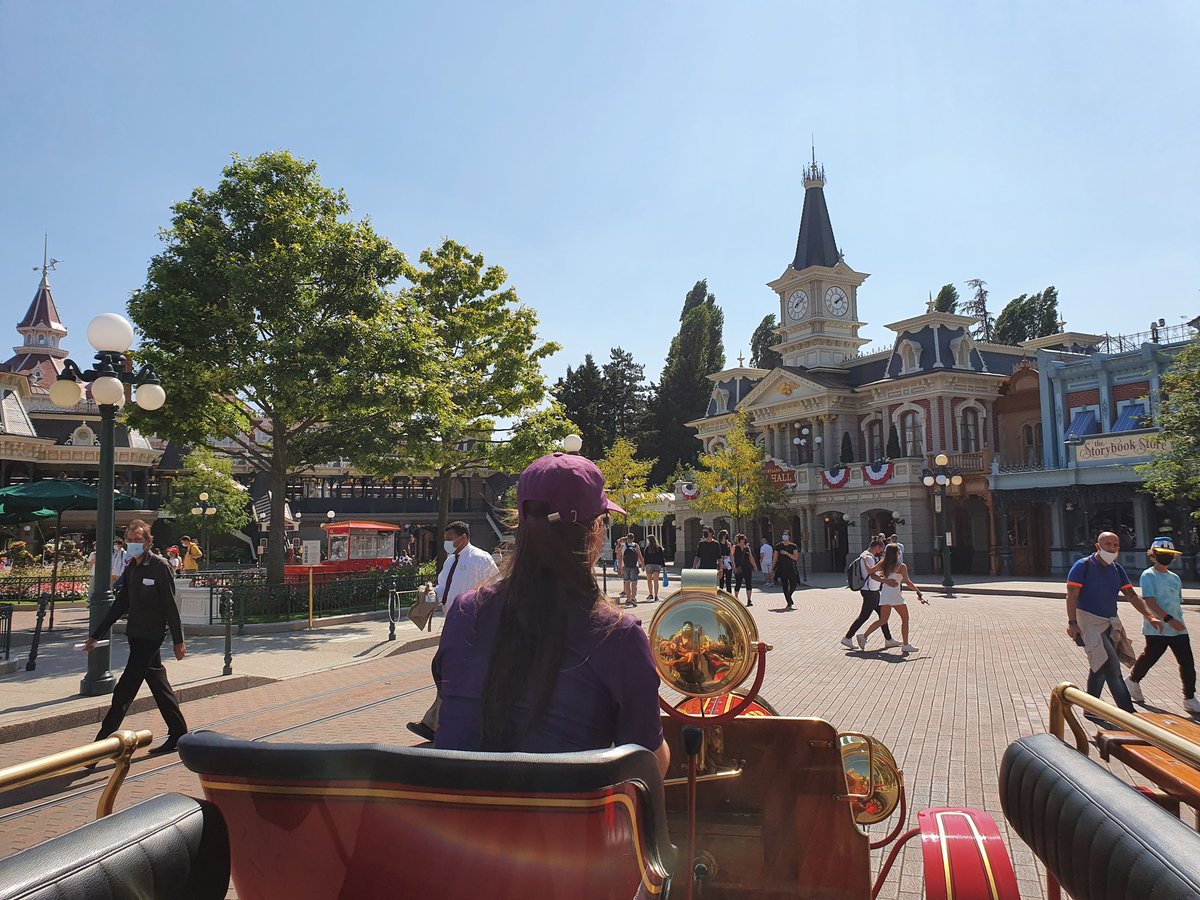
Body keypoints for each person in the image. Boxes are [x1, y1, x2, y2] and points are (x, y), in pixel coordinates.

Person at [432, 451, 669, 777]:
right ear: (596, 530)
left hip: (454, 816)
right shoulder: (618, 635)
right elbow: (649, 766)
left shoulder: (464, 612)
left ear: (520, 523)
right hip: (563, 822)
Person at [82, 519, 187, 755]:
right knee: (159, 685)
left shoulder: (160, 566)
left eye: (137, 539)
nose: (132, 543)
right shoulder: (132, 567)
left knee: (124, 691)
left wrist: (179, 641)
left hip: (151, 637)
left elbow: (171, 606)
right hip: (135, 634)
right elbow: (120, 604)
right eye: (129, 539)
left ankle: (99, 748)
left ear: (148, 541)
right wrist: (95, 635)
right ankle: (179, 732)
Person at [406, 521, 499, 741]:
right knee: (448, 671)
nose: (447, 543)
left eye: (450, 538)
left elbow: (497, 585)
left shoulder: (481, 558)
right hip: (452, 621)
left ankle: (436, 722)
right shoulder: (449, 561)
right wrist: (430, 596)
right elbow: (443, 588)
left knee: (454, 672)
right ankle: (435, 721)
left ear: (463, 537)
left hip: (474, 624)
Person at [1066, 531, 1162, 713]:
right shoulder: (1082, 566)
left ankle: (1090, 708)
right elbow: (1071, 596)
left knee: (1099, 666)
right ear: (1098, 546)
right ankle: (1128, 712)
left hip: (1110, 622)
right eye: (1108, 544)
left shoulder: (1117, 569)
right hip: (1089, 622)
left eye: (1115, 545)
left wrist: (1149, 616)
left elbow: (1132, 595)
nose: (1112, 548)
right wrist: (1072, 623)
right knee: (1111, 666)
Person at [1125, 538, 1200, 714]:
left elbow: (1177, 602)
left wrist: (1177, 621)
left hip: (1178, 628)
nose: (1166, 557)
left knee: (1187, 662)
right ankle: (1132, 681)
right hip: (1158, 627)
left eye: (1169, 555)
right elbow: (1149, 601)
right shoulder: (1148, 575)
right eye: (1162, 554)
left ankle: (1189, 698)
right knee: (1150, 657)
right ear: (1153, 555)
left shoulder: (1175, 577)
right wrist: (1168, 619)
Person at [859, 544, 925, 653]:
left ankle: (864, 636)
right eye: (898, 551)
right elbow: (907, 581)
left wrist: (865, 562)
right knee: (905, 619)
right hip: (895, 595)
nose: (900, 552)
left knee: (883, 620)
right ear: (896, 553)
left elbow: (871, 573)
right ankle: (905, 644)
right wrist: (917, 591)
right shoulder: (901, 566)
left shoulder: (883, 563)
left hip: (885, 594)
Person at [841, 538, 897, 650]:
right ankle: (847, 637)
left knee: (883, 616)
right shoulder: (869, 558)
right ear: (876, 547)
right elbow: (871, 574)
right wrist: (885, 581)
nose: (880, 551)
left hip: (872, 590)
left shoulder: (865, 555)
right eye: (880, 549)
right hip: (870, 591)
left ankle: (889, 639)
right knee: (864, 616)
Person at [773, 531, 800, 609]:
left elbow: (795, 557)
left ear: (789, 536)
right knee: (784, 585)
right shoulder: (778, 546)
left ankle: (789, 597)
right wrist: (772, 568)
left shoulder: (793, 546)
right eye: (783, 535)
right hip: (781, 568)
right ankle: (789, 603)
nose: (784, 536)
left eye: (786, 535)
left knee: (793, 584)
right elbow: (775, 558)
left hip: (791, 567)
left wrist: (786, 553)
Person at [732, 533, 759, 607]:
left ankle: (749, 600)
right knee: (738, 583)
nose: (743, 542)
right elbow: (731, 556)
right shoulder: (735, 547)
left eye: (744, 540)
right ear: (739, 541)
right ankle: (736, 598)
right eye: (742, 540)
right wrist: (733, 565)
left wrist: (755, 566)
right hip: (738, 568)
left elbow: (751, 558)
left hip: (747, 568)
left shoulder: (747, 548)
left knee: (748, 583)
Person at [618, 533, 644, 606]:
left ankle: (628, 599)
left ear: (627, 538)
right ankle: (633, 598)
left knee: (627, 582)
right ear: (633, 538)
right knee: (634, 582)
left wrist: (619, 568)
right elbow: (640, 556)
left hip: (625, 566)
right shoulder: (636, 546)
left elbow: (619, 556)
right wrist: (643, 565)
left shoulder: (623, 546)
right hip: (634, 566)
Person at [642, 535, 666, 602]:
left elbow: (645, 558)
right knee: (656, 581)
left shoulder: (647, 548)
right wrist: (664, 566)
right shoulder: (659, 548)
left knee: (649, 580)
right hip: (657, 565)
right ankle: (656, 596)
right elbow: (662, 558)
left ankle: (650, 594)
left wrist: (643, 566)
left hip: (649, 565)